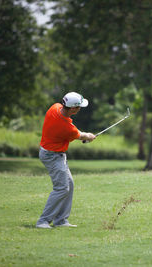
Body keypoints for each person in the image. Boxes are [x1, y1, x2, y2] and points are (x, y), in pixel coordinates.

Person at [36, 92, 96, 229]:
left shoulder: (55, 107)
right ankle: (43, 221)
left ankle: (61, 220)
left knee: (69, 185)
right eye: (79, 106)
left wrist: (85, 136)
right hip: (52, 156)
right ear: (73, 109)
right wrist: (89, 136)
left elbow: (74, 131)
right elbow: (79, 135)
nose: (80, 109)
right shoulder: (65, 127)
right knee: (62, 188)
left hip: (52, 153)